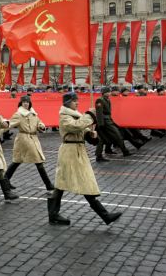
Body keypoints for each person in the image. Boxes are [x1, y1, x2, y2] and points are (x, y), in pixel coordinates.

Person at [48, 93, 123, 226]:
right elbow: (75, 126)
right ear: (67, 103)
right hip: (69, 152)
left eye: (77, 100)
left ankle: (53, 215)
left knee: (68, 182)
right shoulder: (64, 117)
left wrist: (90, 134)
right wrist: (90, 115)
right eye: (74, 101)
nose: (77, 103)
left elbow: (81, 129)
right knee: (70, 182)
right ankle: (105, 215)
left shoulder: (76, 115)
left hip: (78, 151)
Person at [4, 96, 53, 191]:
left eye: (27, 102)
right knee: (38, 161)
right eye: (24, 102)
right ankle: (48, 184)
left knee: (17, 161)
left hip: (33, 138)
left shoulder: (33, 114)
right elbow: (8, 124)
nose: (26, 103)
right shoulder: (19, 114)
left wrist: (41, 126)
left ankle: (5, 181)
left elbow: (39, 123)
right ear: (21, 103)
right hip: (24, 139)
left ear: (30, 103)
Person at [95, 87, 131, 161]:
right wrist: (101, 124)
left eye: (109, 92)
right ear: (103, 93)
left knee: (105, 138)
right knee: (117, 135)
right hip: (105, 121)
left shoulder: (107, 99)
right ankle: (125, 151)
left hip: (108, 120)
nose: (109, 93)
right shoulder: (100, 100)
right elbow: (99, 113)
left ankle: (104, 152)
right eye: (107, 92)